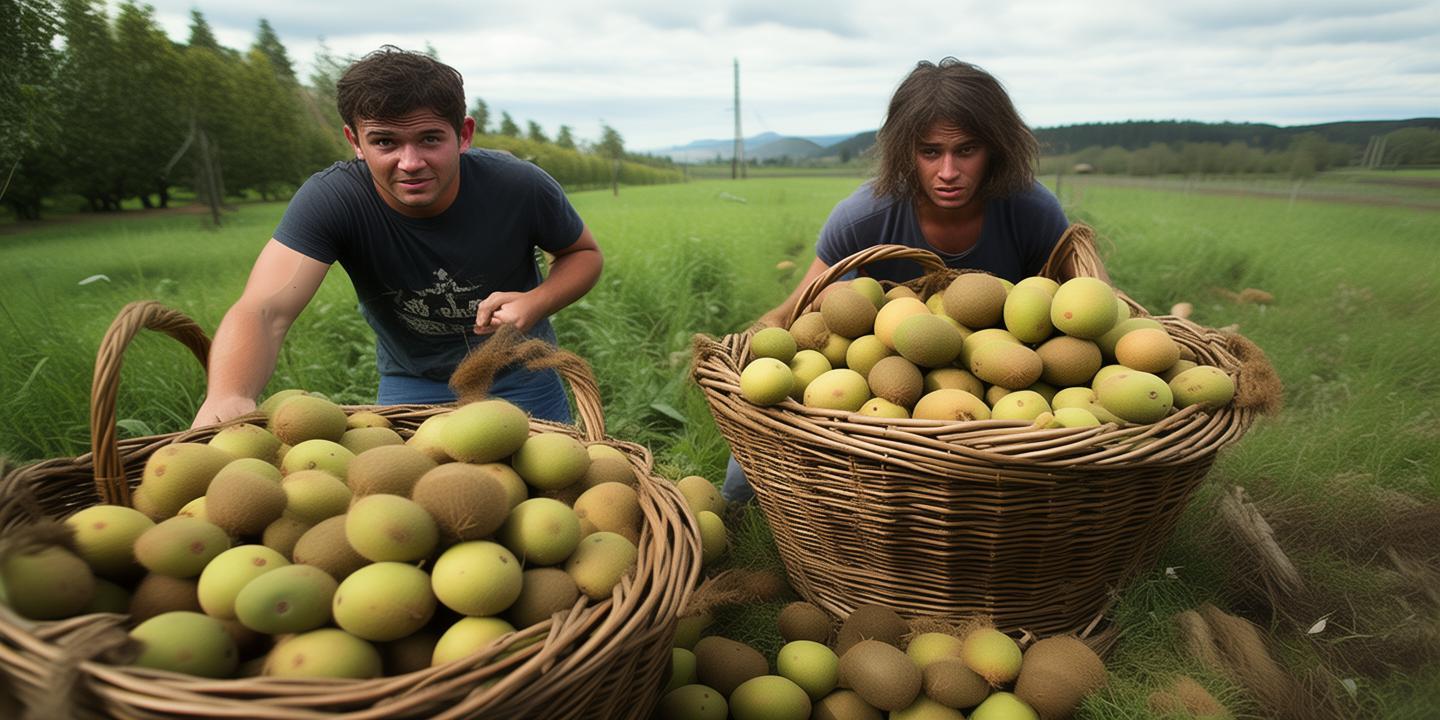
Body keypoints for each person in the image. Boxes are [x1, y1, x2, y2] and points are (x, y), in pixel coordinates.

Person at [723, 57, 1104, 503]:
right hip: (887, 400)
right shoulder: (865, 216)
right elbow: (791, 314)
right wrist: (747, 366)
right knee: (747, 463)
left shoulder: (1029, 209)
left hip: (1004, 406)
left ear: (996, 149)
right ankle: (741, 510)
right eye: (930, 152)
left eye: (966, 150)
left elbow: (1092, 306)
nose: (947, 171)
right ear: (907, 151)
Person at [191, 46, 601, 428]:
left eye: (429, 139)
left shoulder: (518, 186)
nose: (410, 163)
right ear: (355, 141)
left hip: (523, 373)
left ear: (463, 134)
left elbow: (582, 253)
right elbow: (265, 310)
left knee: (548, 489)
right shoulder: (335, 199)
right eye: (385, 141)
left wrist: (535, 302)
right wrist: (228, 396)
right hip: (412, 384)